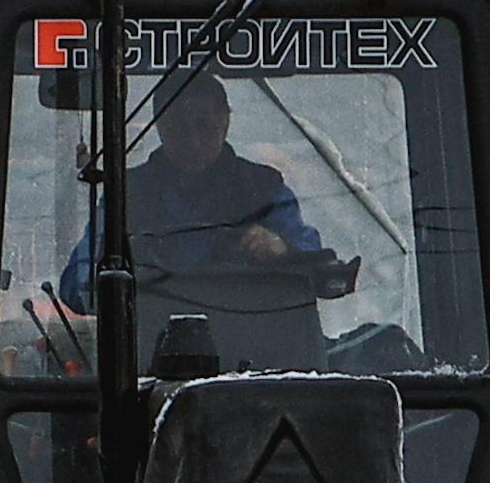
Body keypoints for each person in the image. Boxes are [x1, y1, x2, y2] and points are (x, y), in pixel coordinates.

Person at [54, 71, 329, 312]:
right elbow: (75, 285)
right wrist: (118, 276)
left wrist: (282, 249)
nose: (193, 141)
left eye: (204, 126)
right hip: (144, 358)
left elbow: (319, 267)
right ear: (158, 125)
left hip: (256, 355)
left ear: (225, 120)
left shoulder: (265, 190)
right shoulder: (127, 196)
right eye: (179, 128)